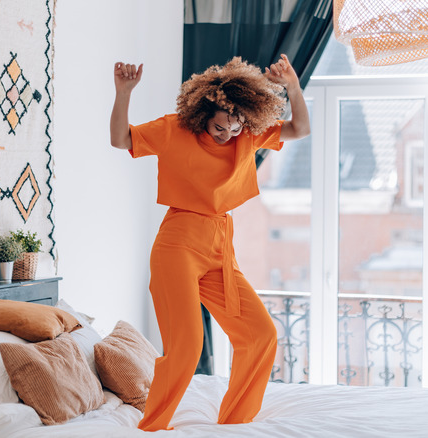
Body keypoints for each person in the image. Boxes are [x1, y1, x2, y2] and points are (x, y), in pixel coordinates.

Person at [109, 54, 310, 432]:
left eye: (235, 128)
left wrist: (294, 88)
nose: (228, 135)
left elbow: (299, 129)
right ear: (205, 112)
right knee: (186, 348)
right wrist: (124, 93)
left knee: (260, 335)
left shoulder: (247, 134)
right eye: (221, 127)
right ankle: (152, 427)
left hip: (220, 245)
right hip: (178, 243)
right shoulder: (174, 130)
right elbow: (121, 138)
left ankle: (234, 424)